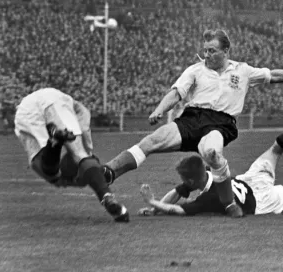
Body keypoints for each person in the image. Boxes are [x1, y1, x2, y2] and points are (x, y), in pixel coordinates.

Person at [103, 29, 283, 218]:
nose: (206, 55)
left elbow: (273, 75)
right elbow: (176, 93)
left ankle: (229, 204)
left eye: (212, 50)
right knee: (152, 141)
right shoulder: (195, 70)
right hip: (192, 118)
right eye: (205, 50)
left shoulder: (243, 71)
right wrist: (159, 110)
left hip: (221, 123)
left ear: (226, 51)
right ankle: (109, 172)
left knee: (211, 152)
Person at [14, 88, 129, 222]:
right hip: (53, 100)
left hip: (24, 111)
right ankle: (106, 196)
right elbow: (84, 157)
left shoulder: (76, 107)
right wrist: (86, 156)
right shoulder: (80, 111)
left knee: (49, 173)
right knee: (80, 155)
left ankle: (55, 143)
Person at [138, 133, 283, 217]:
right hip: (250, 179)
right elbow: (177, 192)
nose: (182, 183)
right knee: (276, 148)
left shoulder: (209, 198)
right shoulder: (208, 171)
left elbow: (177, 210)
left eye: (183, 180)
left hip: (261, 201)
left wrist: (152, 201)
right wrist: (154, 211)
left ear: (191, 181)